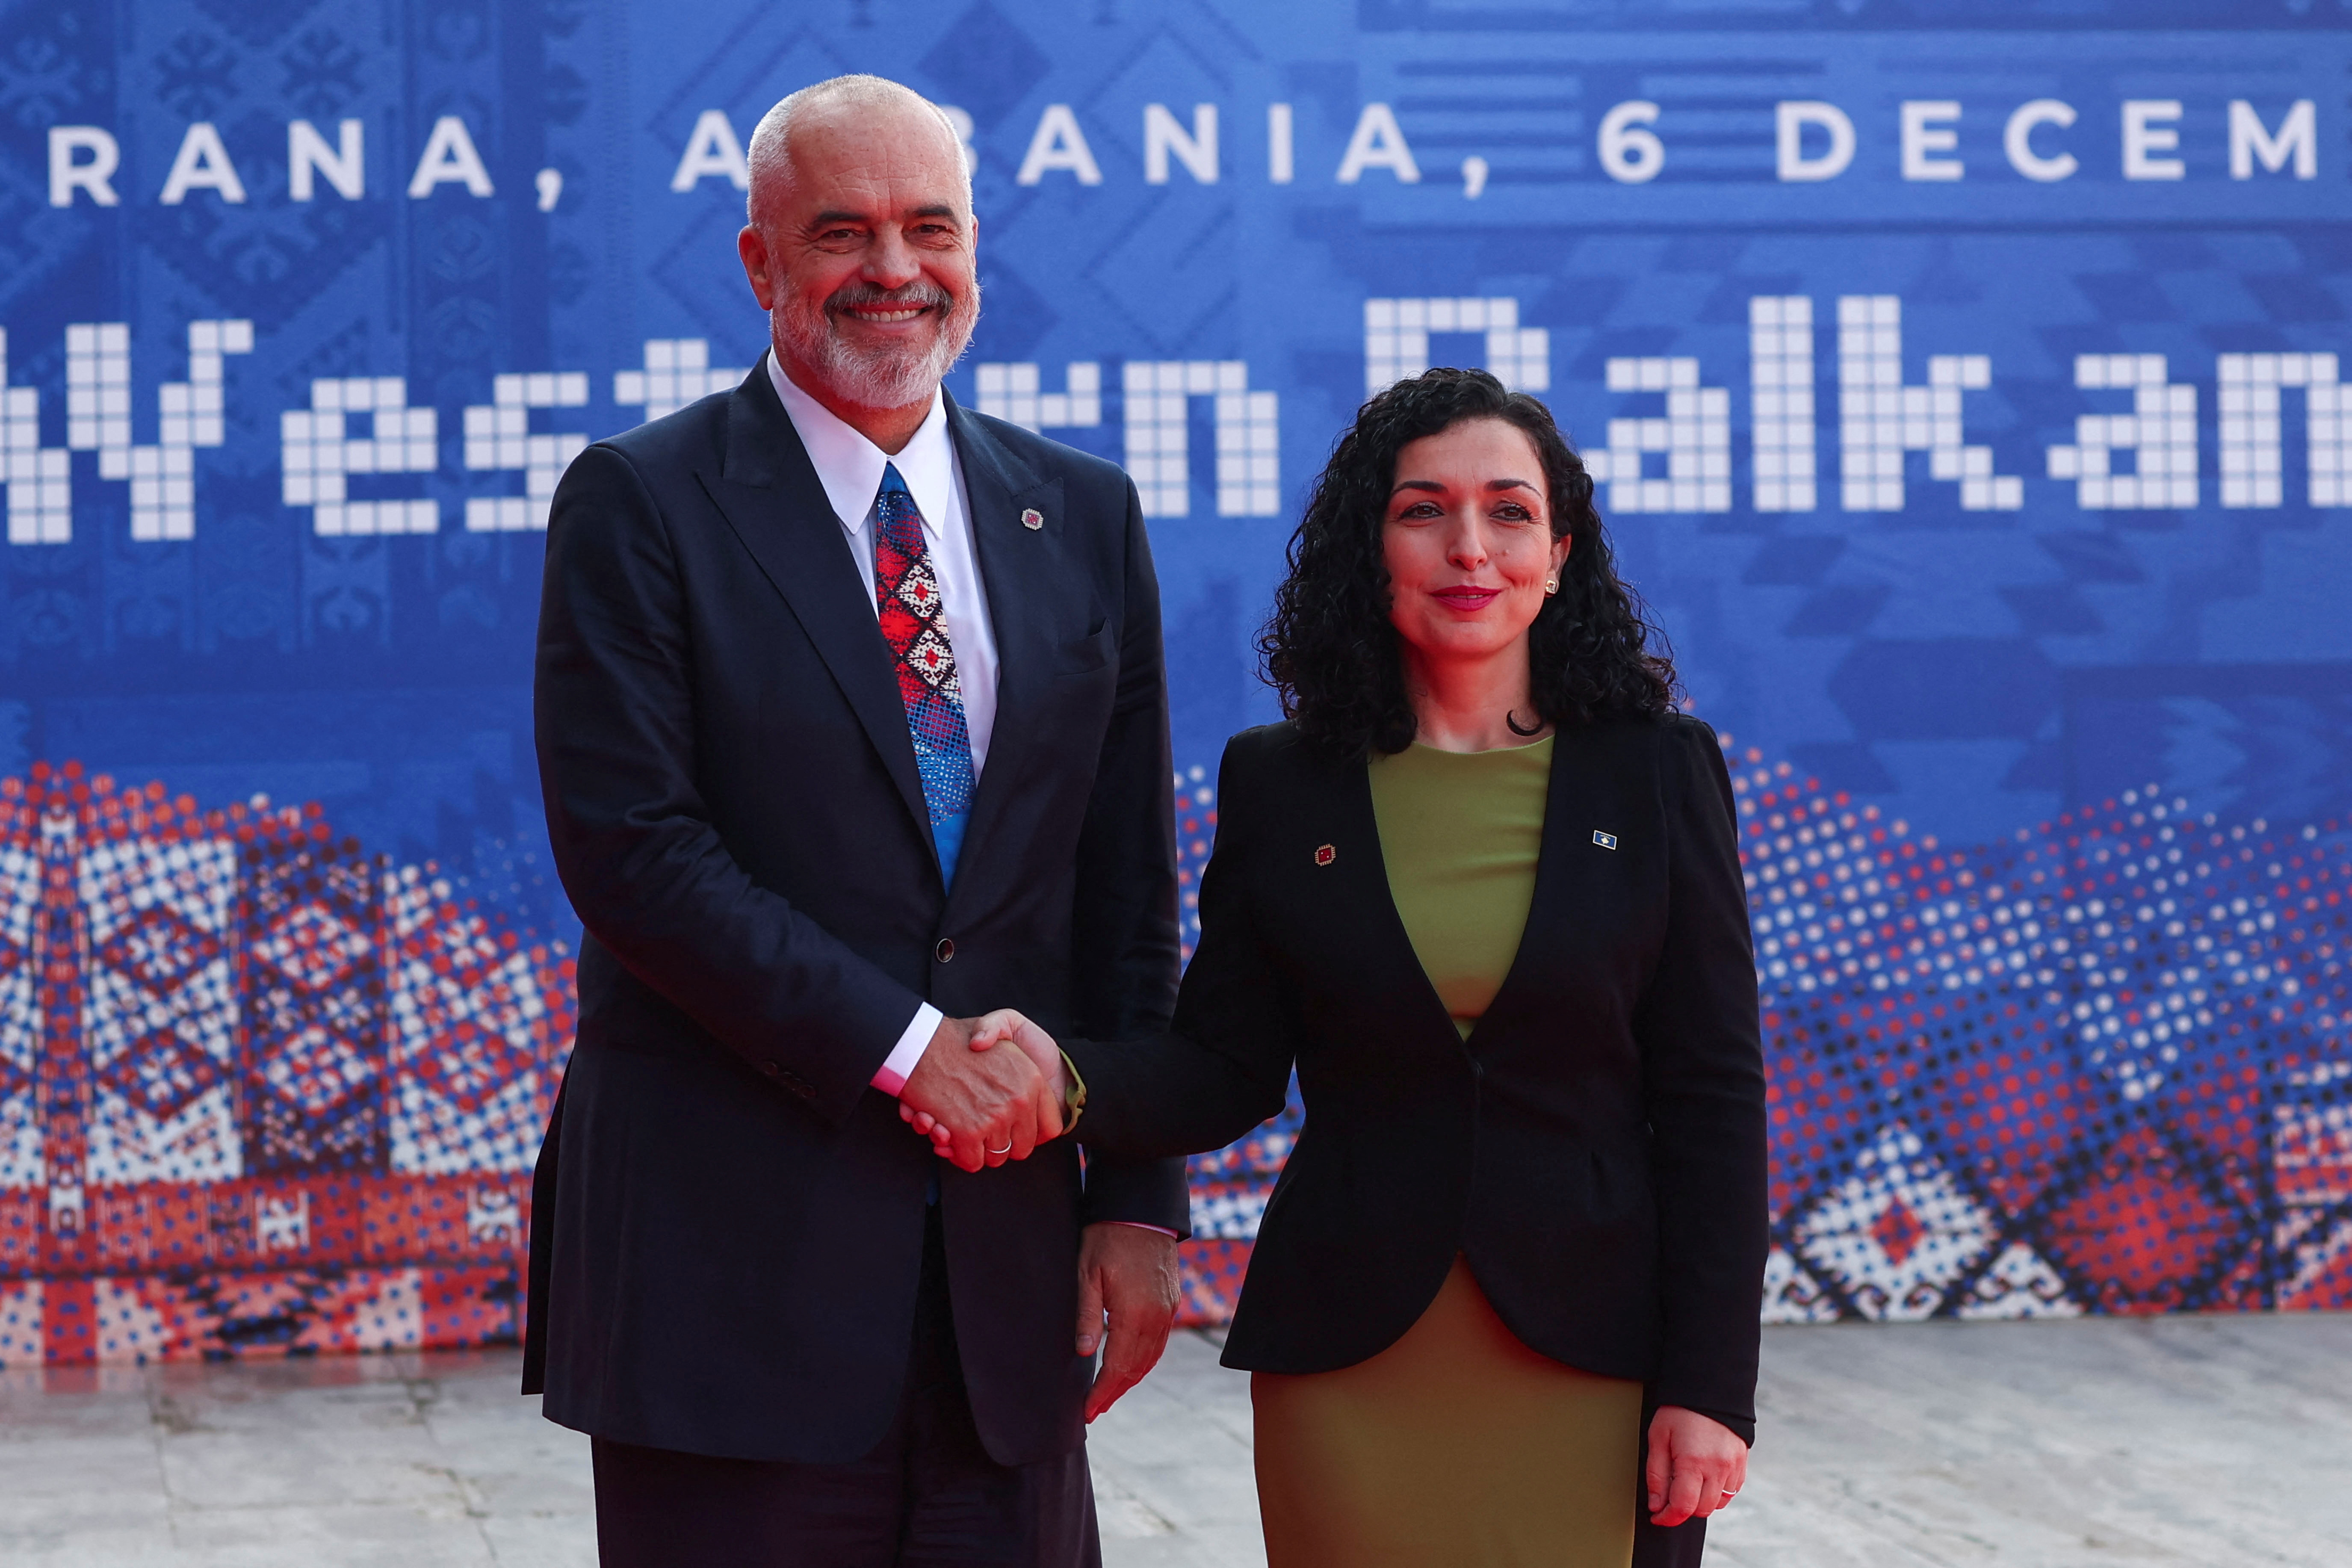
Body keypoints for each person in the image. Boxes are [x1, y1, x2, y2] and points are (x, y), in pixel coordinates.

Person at [523, 74, 1188, 1567]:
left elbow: (1124, 884)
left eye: (928, 226)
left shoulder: (1082, 511)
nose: (894, 268)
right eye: (842, 230)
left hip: (1005, 1301)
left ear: (974, 251)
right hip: (726, 1288)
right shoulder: (641, 502)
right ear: (761, 264)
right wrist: (914, 1054)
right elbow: (635, 852)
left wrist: (1138, 1194)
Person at [959, 368, 1770, 1566]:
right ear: (1369, 548)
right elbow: (1224, 1067)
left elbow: (1712, 1099)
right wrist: (1066, 1078)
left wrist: (1712, 1386)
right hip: (1348, 1358)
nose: (1468, 547)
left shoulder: (1655, 769)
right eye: (1421, 510)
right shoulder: (1283, 781)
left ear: (1559, 551)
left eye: (1508, 511)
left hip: (1600, 1355)